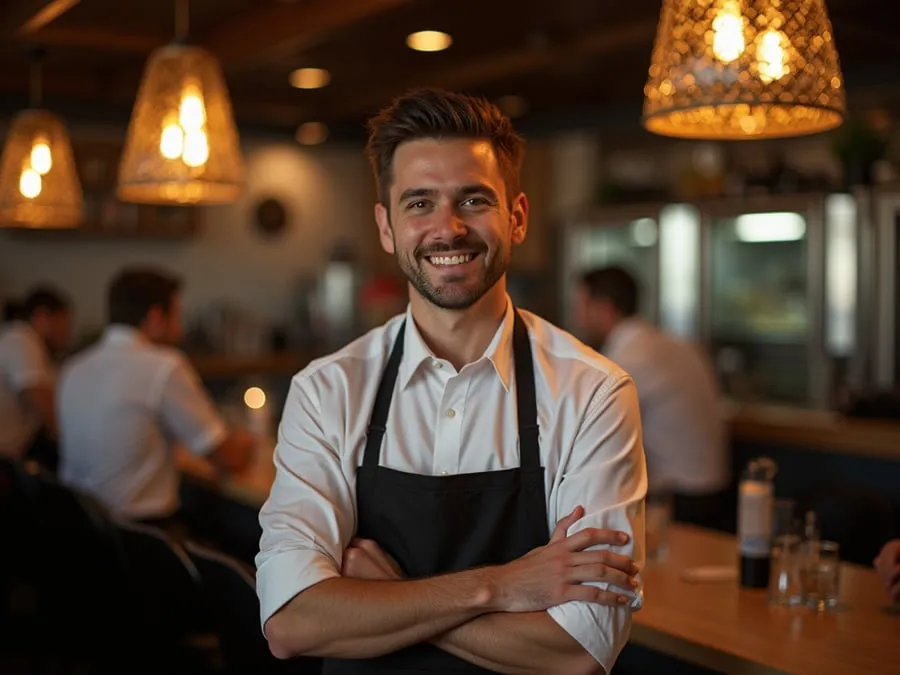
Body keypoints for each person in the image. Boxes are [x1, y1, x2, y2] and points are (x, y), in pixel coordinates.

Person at [257, 88, 647, 675]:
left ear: (517, 218)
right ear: (386, 227)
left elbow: (576, 651)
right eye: (420, 203)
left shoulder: (593, 393)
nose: (449, 228)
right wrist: (501, 586)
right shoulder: (327, 391)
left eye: (473, 199)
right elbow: (293, 621)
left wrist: (388, 596)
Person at [57, 267, 254, 536]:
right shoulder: (163, 366)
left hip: (76, 531)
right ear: (155, 316)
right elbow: (227, 458)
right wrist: (249, 442)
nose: (180, 328)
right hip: (140, 538)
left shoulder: (73, 367)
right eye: (177, 316)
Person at [574, 266, 731, 530]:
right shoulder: (677, 344)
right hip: (717, 493)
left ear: (604, 308)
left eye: (581, 308)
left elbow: (589, 434)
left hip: (681, 502)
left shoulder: (626, 359)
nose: (578, 320)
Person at [0, 286, 71, 468]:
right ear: (42, 316)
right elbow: (38, 398)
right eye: (63, 322)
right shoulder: (22, 339)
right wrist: (73, 444)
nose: (66, 333)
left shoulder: (36, 350)